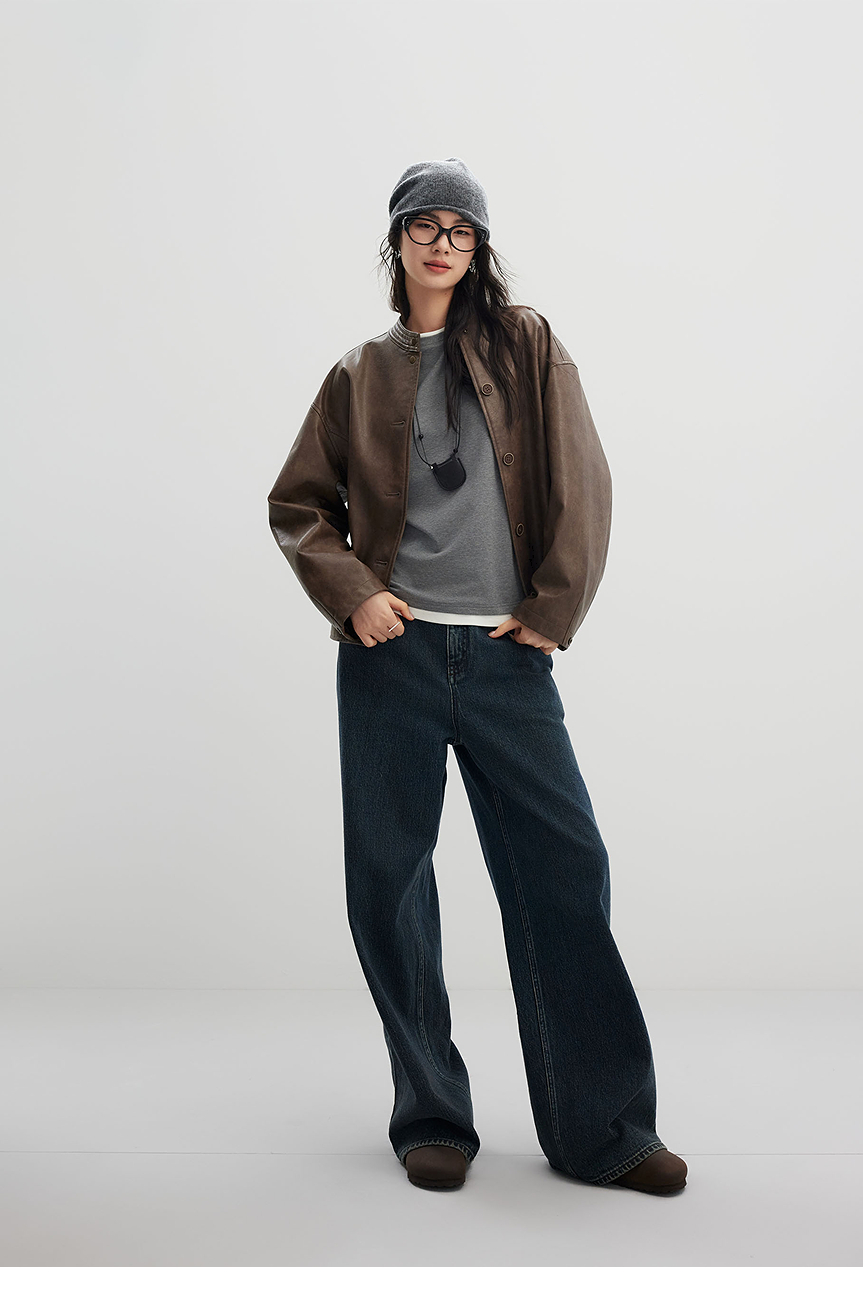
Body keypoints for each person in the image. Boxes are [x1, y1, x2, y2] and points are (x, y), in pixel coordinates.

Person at [267, 157, 687, 1196]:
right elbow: (299, 504)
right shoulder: (359, 373)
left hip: (506, 661)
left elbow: (584, 478)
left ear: (479, 247)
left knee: (564, 870)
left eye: (461, 227)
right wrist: (354, 595)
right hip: (391, 658)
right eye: (425, 224)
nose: (443, 241)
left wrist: (552, 608)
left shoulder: (525, 344)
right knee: (390, 885)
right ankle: (431, 1116)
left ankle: (603, 1130)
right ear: (398, 241)